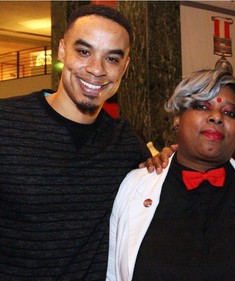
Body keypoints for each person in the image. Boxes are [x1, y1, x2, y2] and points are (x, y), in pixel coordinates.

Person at [0, 5, 152, 280]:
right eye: (84, 51)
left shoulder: (126, 143)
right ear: (61, 50)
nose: (96, 69)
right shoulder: (6, 122)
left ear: (125, 67)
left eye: (112, 59)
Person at [106, 68, 235, 281]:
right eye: (201, 106)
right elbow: (113, 274)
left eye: (229, 113)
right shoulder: (134, 187)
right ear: (177, 119)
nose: (216, 117)